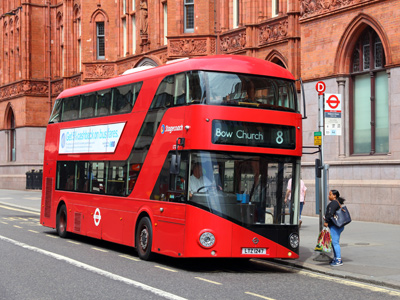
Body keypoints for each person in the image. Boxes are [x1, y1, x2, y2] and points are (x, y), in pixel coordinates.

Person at [324, 189, 346, 267]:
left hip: (335, 226)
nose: (329, 196)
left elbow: (330, 213)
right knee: (334, 242)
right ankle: (336, 258)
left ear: (334, 195)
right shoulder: (336, 203)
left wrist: (326, 221)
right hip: (337, 226)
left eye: (330, 194)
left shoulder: (334, 203)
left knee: (335, 243)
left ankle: (338, 260)